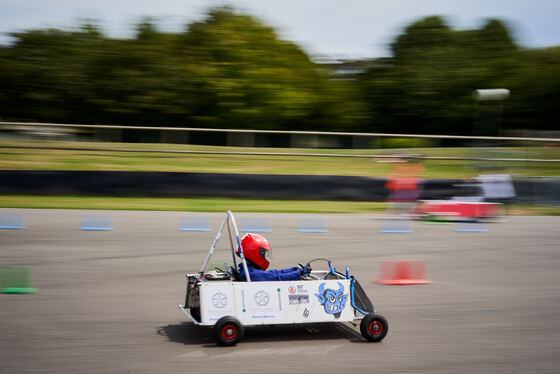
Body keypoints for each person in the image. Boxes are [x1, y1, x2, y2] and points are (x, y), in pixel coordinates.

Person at [237, 233, 311, 281]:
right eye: (264, 254)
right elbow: (277, 278)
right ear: (255, 253)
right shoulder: (254, 275)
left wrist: (294, 269)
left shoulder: (248, 270)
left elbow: (274, 273)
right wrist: (299, 274)